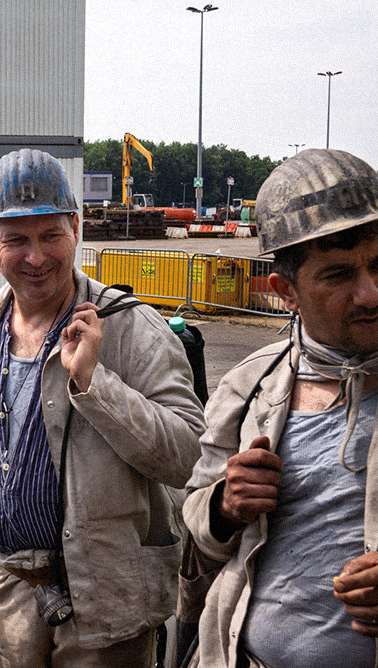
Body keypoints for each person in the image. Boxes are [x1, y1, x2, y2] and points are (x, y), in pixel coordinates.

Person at [0, 149, 206, 666]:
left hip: (108, 594)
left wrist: (93, 382)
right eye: (16, 239)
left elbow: (190, 457)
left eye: (50, 236)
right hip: (9, 585)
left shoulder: (132, 329)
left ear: (76, 229)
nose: (36, 257)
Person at [183, 148, 378, 668]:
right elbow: (196, 529)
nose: (370, 293)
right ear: (285, 290)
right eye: (338, 275)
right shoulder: (250, 387)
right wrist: (224, 505)